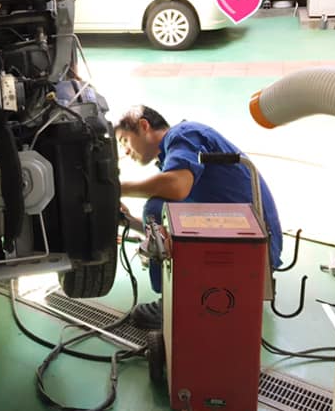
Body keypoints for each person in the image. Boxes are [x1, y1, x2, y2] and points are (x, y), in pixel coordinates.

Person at [115, 105, 283, 329]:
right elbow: (175, 222)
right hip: (254, 244)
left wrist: (115, 189)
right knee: (161, 209)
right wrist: (130, 222)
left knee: (156, 207)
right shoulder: (177, 153)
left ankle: (174, 303)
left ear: (144, 125)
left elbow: (177, 187)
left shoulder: (183, 134)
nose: (126, 151)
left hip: (255, 250)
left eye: (124, 141)